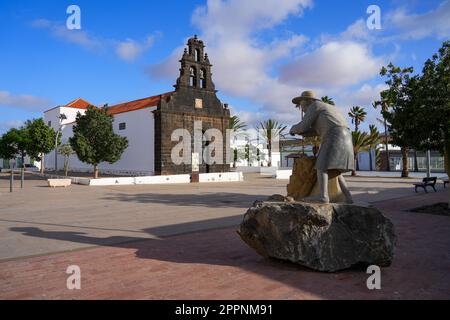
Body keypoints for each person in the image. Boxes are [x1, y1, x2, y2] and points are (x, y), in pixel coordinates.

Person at [289, 91, 354, 204]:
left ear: (309, 101)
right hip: (346, 136)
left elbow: (303, 126)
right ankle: (348, 197)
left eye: (302, 105)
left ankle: (323, 196)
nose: (302, 109)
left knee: (321, 166)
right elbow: (314, 131)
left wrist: (293, 129)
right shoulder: (328, 108)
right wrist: (300, 132)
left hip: (334, 135)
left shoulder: (315, 106)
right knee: (335, 170)